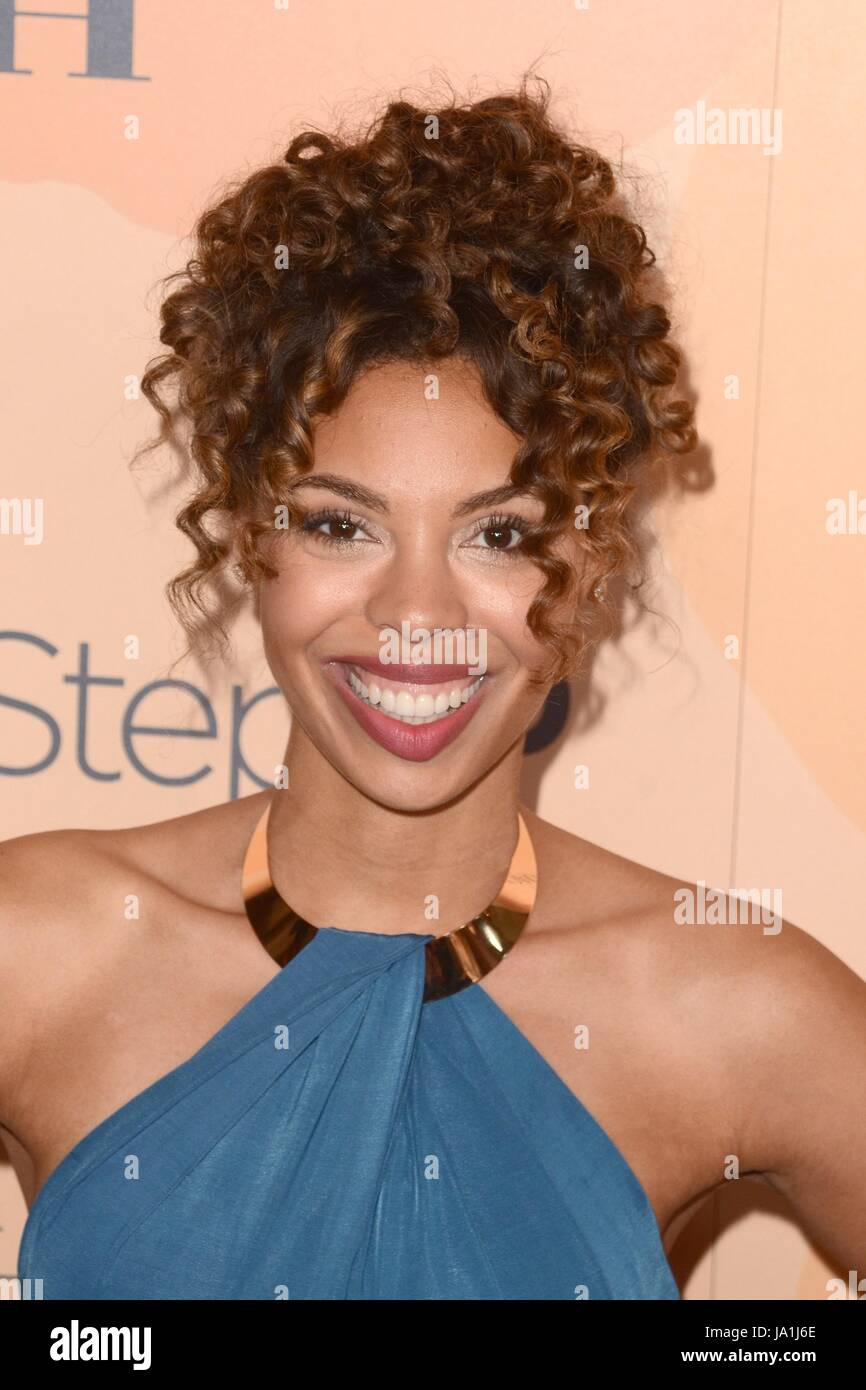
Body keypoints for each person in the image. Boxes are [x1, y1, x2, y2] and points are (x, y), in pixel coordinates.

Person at [3, 77, 864, 1300]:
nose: (415, 616)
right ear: (252, 533)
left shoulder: (721, 1001)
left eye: (497, 535)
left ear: (587, 557)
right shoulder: (40, 945)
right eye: (340, 526)